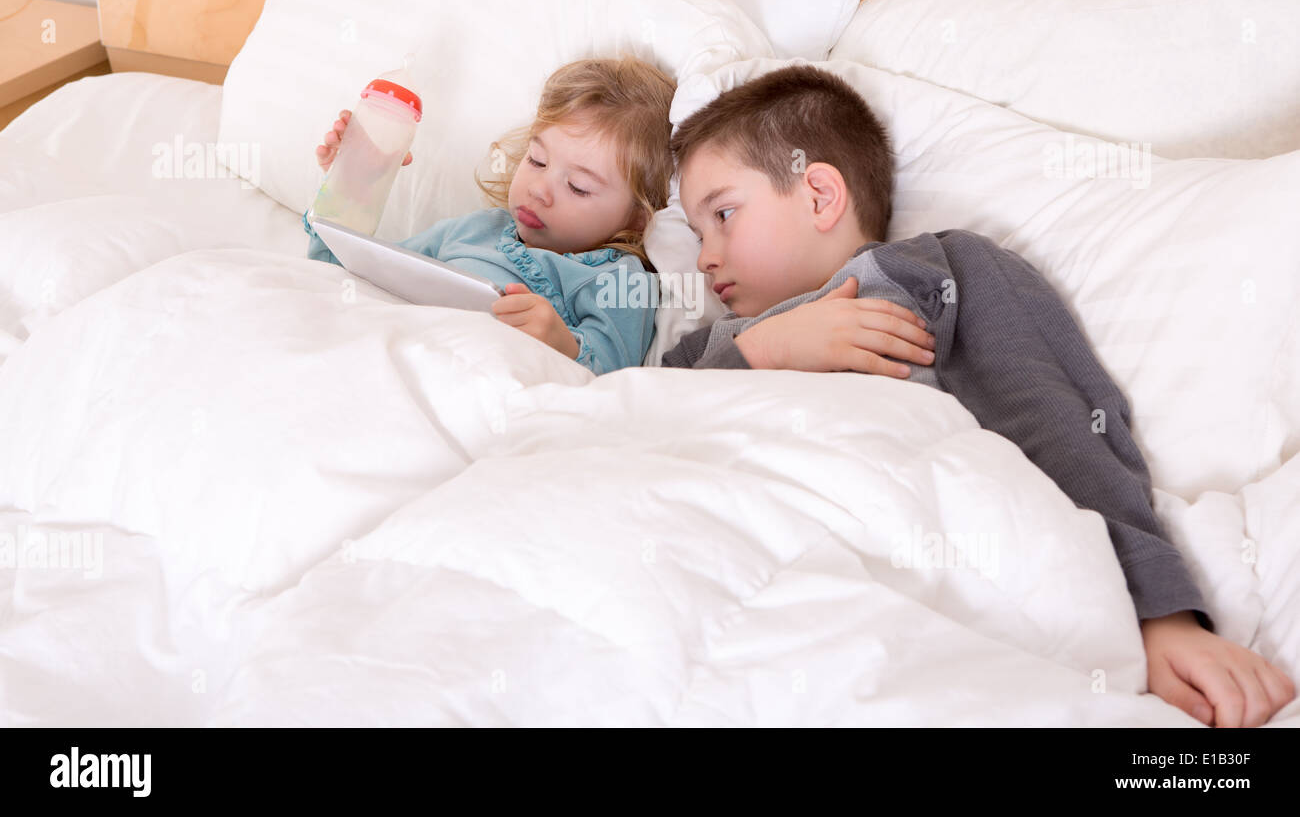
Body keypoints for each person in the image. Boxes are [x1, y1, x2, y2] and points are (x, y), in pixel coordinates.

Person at [662, 63, 1296, 727]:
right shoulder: (707, 347)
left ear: (820, 194)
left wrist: (1161, 616)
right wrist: (768, 349)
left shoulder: (935, 271)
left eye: (724, 215)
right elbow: (641, 425)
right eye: (698, 232)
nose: (705, 256)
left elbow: (1056, 422)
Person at [304, 57, 673, 375]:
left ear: (637, 219)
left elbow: (619, 381)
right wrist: (353, 185)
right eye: (537, 160)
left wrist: (565, 345)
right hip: (390, 355)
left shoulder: (617, 278)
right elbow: (350, 276)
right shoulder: (475, 229)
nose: (538, 189)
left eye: (577, 186)